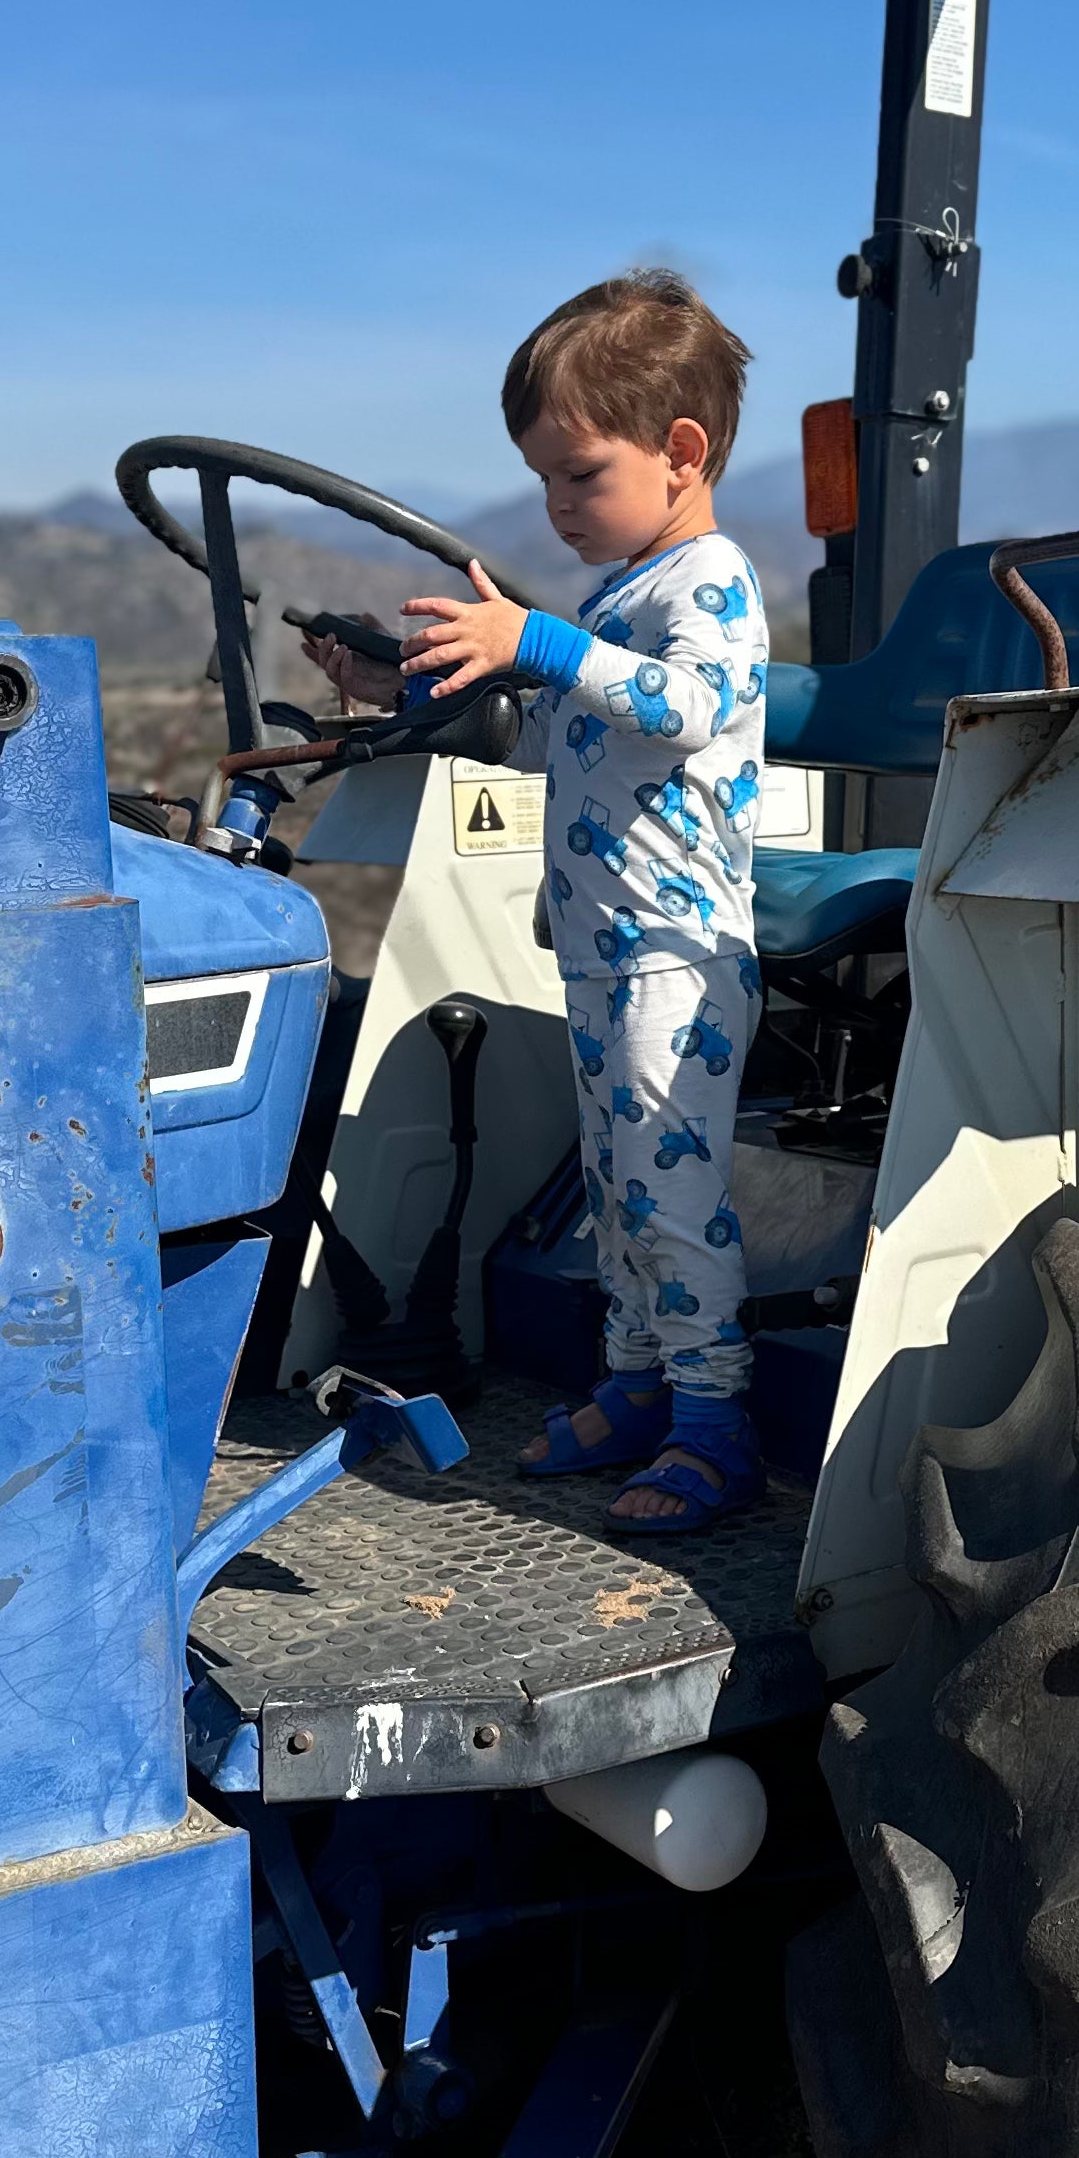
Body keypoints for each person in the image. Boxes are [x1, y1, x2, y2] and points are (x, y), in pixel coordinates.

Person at [314, 268, 769, 1532]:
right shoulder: (619, 602)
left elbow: (688, 709)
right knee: (618, 1192)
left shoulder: (709, 584)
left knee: (670, 1198)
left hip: (679, 956)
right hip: (600, 949)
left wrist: (542, 644)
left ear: (682, 454)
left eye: (580, 475)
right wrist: (401, 690)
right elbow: (558, 745)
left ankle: (717, 1425)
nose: (557, 506)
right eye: (544, 480)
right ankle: (637, 1384)